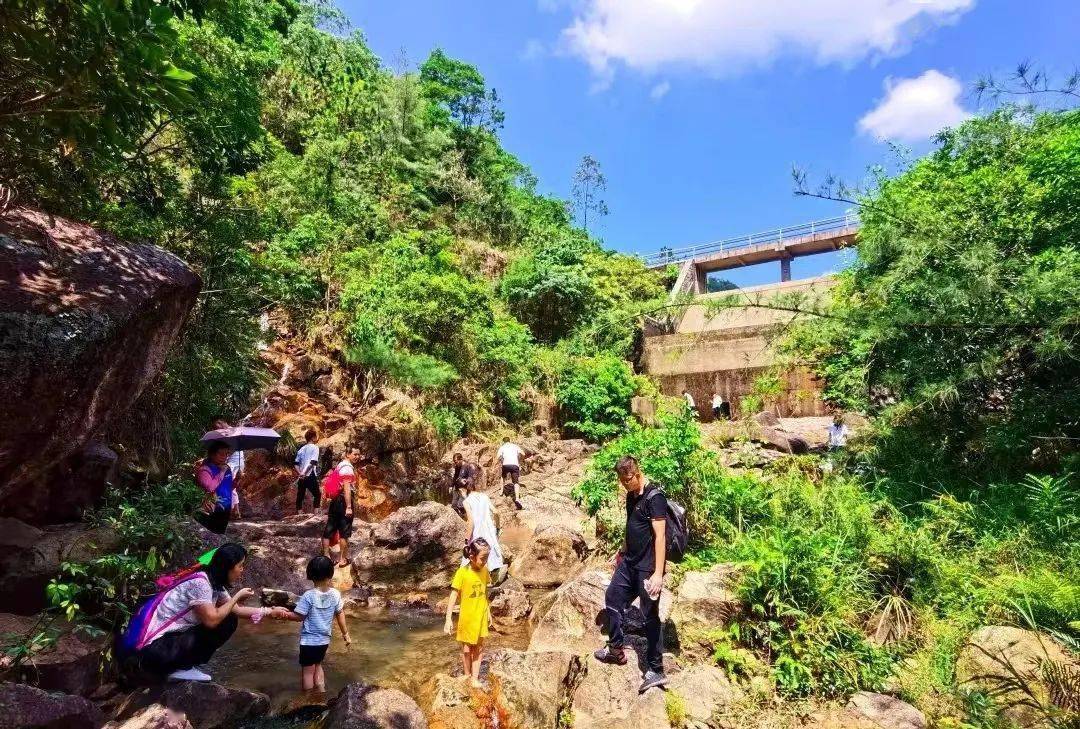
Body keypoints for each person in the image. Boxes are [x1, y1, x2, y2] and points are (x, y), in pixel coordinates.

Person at [122, 543, 259, 682]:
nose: (242, 570)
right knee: (225, 621)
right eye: (240, 566)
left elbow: (238, 610)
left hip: (163, 647)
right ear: (228, 567)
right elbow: (211, 621)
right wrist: (237, 596)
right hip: (153, 652)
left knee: (229, 618)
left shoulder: (214, 582)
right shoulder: (200, 584)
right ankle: (179, 668)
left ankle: (179, 667)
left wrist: (269, 611)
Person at [593, 455, 668, 693]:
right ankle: (616, 650)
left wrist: (658, 574)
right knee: (613, 598)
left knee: (649, 616)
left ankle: (656, 670)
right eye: (622, 481)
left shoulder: (655, 498)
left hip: (647, 568)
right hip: (629, 562)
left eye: (628, 480)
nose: (626, 484)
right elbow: (631, 525)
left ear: (637, 473)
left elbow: (661, 537)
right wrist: (621, 551)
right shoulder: (630, 496)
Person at [272, 555, 351, 693]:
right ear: (330, 575)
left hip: (309, 642)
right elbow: (340, 614)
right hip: (324, 640)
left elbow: (298, 617)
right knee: (318, 665)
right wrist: (346, 634)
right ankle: (321, 691)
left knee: (308, 671)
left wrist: (283, 615)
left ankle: (308, 699)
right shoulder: (335, 595)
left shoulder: (308, 596)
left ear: (310, 575)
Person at [444, 539, 493, 689]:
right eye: (482, 558)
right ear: (471, 556)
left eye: (487, 558)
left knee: (478, 648)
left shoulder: (485, 571)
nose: (485, 561)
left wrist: (489, 611)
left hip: (480, 615)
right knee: (466, 649)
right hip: (467, 618)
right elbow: (453, 595)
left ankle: (475, 678)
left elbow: (485, 591)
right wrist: (448, 619)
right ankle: (466, 674)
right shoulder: (462, 573)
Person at [322, 447, 361, 568]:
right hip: (343, 501)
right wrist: (348, 506)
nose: (357, 456)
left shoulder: (340, 465)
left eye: (359, 454)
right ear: (348, 454)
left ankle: (326, 557)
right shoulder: (348, 469)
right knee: (344, 531)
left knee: (330, 528)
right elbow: (347, 488)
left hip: (335, 501)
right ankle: (342, 560)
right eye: (355, 454)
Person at [461, 479, 503, 581]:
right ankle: (491, 580)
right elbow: (496, 512)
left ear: (463, 490)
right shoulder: (484, 496)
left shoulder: (466, 501)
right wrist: (497, 527)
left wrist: (466, 541)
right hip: (489, 532)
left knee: (471, 562)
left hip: (476, 533)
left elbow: (471, 522)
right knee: (489, 557)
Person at [195, 441, 236, 535]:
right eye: (221, 454)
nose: (225, 457)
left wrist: (237, 481)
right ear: (212, 454)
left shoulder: (227, 468)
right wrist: (221, 472)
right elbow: (210, 487)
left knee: (220, 534)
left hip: (225, 508)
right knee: (210, 535)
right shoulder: (205, 470)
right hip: (211, 509)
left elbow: (229, 486)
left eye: (226, 454)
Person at [295, 429, 321, 514]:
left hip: (301, 475)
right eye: (316, 437)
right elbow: (312, 463)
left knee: (300, 495)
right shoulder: (315, 447)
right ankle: (316, 513)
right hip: (309, 474)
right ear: (313, 438)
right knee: (317, 494)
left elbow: (296, 464)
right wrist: (305, 473)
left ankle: (299, 513)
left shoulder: (301, 449)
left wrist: (300, 473)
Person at [496, 438, 525, 511]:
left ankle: (501, 491)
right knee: (516, 482)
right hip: (515, 464)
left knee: (503, 477)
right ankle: (517, 499)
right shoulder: (515, 446)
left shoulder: (502, 447)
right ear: (510, 441)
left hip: (506, 464)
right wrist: (520, 460)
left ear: (503, 442)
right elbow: (523, 454)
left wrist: (501, 460)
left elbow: (497, 457)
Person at [450, 453, 477, 517]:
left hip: (464, 490)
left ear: (461, 459)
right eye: (454, 462)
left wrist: (466, 481)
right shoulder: (457, 467)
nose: (455, 464)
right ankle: (460, 517)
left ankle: (467, 518)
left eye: (456, 462)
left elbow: (472, 478)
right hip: (456, 488)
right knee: (454, 506)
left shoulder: (468, 466)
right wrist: (451, 486)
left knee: (461, 505)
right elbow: (455, 477)